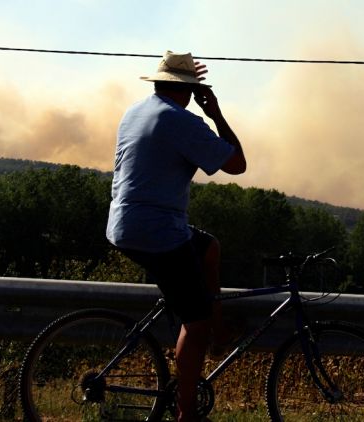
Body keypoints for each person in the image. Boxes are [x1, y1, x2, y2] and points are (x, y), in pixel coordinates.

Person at [106, 50, 246, 421]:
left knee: (209, 249)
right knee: (192, 323)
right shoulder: (180, 121)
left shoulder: (135, 111)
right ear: (190, 90)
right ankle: (186, 413)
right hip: (157, 232)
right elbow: (236, 163)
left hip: (123, 223)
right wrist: (214, 113)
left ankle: (218, 335)